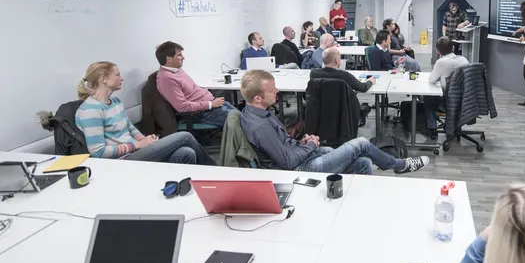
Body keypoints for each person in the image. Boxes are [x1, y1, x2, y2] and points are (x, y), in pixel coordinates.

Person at [239, 70, 429, 174]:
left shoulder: (258, 112)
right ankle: (399, 165)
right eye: (272, 90)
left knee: (363, 162)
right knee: (360, 144)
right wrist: (311, 145)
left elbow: (283, 145)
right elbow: (288, 163)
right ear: (257, 98)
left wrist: (303, 142)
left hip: (298, 156)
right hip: (298, 169)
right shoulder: (260, 126)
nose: (277, 91)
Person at [75, 61, 215, 165]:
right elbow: (98, 152)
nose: (121, 78)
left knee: (186, 153)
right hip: (122, 161)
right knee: (185, 137)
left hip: (136, 151)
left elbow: (129, 128)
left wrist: (144, 140)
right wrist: (136, 145)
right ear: (103, 79)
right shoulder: (91, 110)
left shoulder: (115, 102)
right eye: (117, 75)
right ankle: (215, 172)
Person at [155, 41, 236, 127]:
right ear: (169, 59)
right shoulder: (167, 79)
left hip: (211, 103)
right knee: (241, 122)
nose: (183, 58)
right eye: (179, 55)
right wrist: (210, 104)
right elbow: (182, 107)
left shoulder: (176, 70)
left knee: (245, 117)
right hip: (201, 113)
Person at [423, 36, 469, 137]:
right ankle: (455, 126)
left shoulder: (441, 62)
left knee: (427, 97)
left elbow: (431, 80)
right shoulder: (464, 60)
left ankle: (432, 128)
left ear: (438, 51)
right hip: (466, 100)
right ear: (453, 48)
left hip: (447, 101)